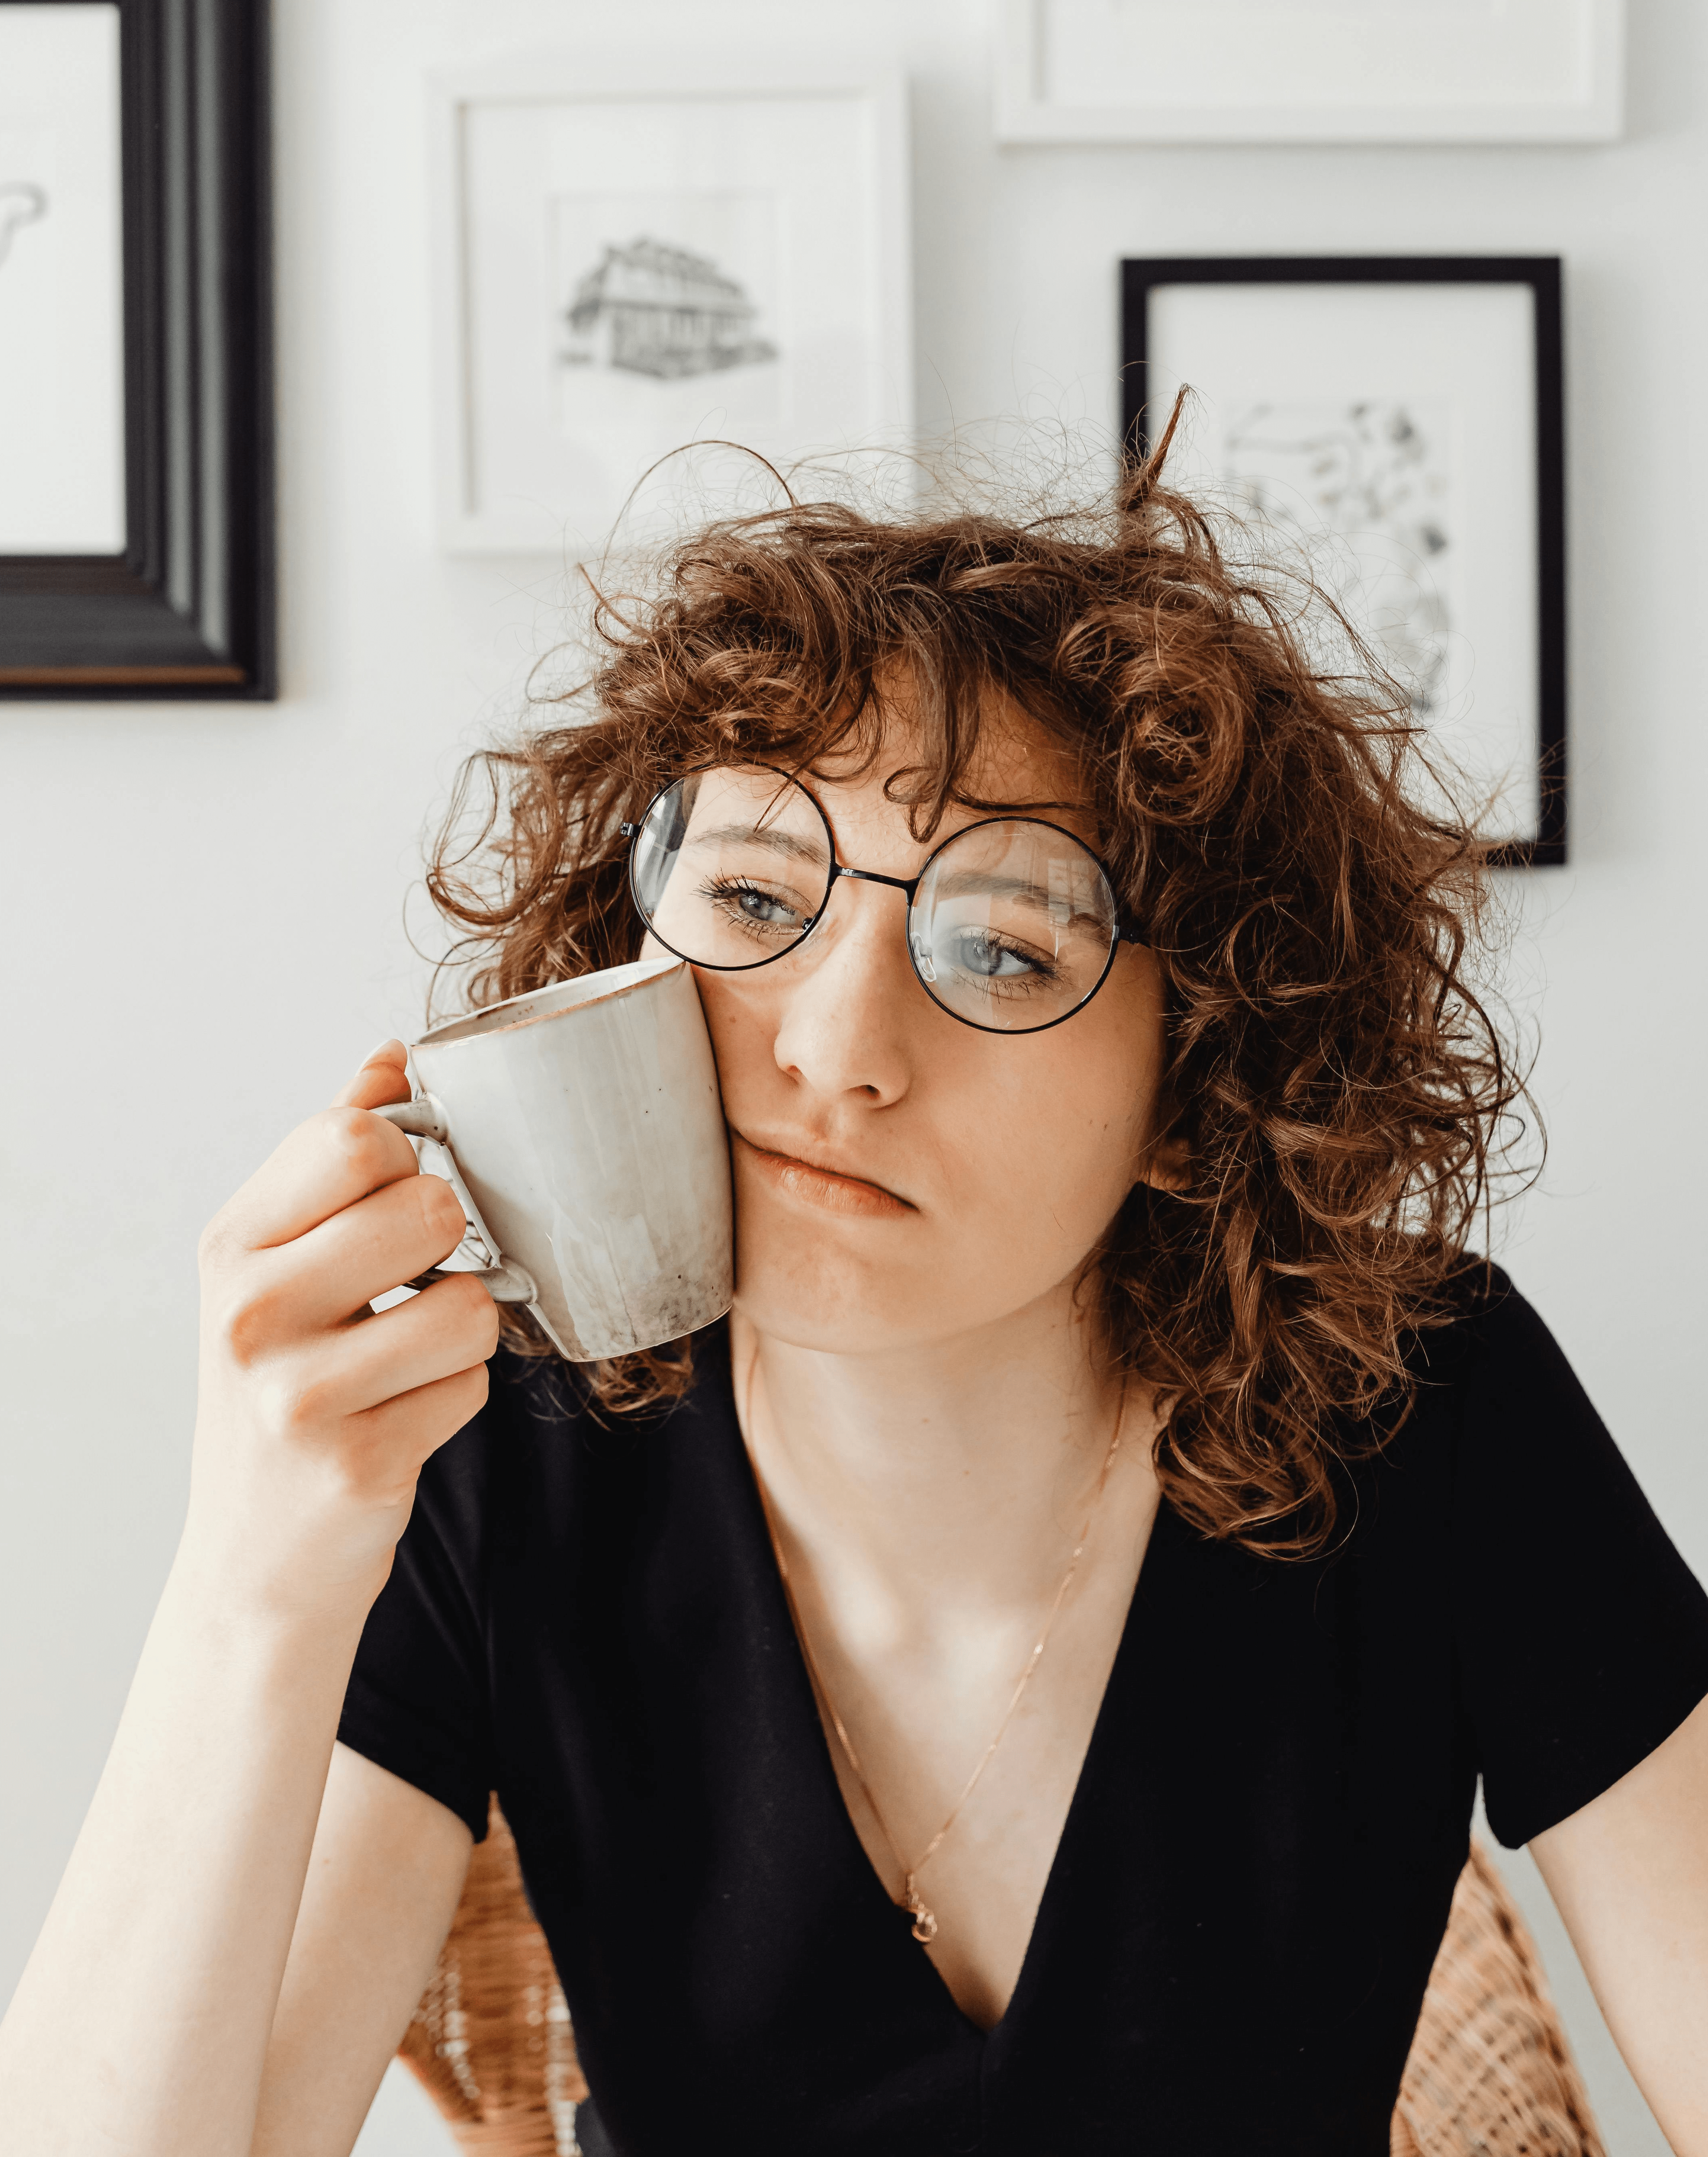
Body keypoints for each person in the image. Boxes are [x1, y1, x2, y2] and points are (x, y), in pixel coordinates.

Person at [3, 451, 1707, 2157]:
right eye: (752, 898)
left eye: (1007, 953)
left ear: (1199, 1096)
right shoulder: (497, 1442)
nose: (830, 1050)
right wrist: (255, 1568)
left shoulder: (1416, 1398)